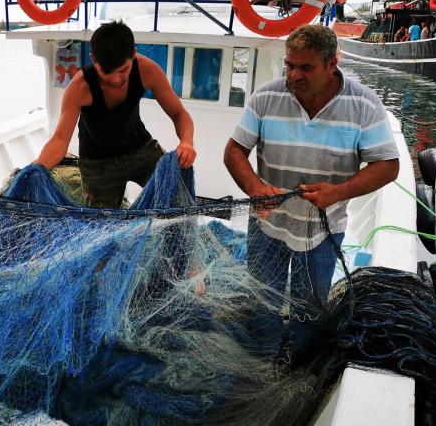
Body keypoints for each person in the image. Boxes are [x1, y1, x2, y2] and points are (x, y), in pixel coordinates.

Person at [223, 24, 399, 362]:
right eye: (289, 65)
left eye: (305, 67)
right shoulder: (266, 97)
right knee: (262, 298)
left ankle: (299, 362)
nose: (293, 75)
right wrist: (256, 189)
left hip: (324, 229)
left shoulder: (364, 104)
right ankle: (263, 359)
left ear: (332, 63)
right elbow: (234, 151)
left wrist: (337, 193)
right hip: (268, 225)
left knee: (311, 306)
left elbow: (387, 166)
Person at [34, 21, 196, 208]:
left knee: (176, 191)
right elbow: (60, 140)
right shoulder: (79, 88)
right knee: (102, 225)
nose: (115, 79)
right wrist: (37, 168)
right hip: (97, 162)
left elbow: (179, 113)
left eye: (123, 70)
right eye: (106, 72)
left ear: (133, 54)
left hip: (140, 148)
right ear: (93, 58)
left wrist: (186, 142)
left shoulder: (147, 70)